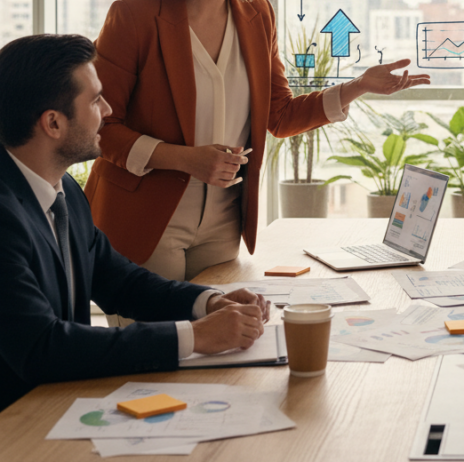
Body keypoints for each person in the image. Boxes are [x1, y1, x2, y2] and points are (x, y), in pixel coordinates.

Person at [85, 0, 429, 282]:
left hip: (223, 225)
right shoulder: (135, 17)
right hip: (145, 221)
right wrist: (185, 159)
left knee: (221, 341)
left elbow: (280, 115)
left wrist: (359, 86)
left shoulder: (257, 15)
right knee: (159, 342)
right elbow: (101, 129)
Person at [0, 34, 270, 412]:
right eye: (95, 100)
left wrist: (209, 303)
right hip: (17, 422)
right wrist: (192, 337)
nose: (109, 110)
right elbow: (42, 347)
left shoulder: (65, 193)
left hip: (55, 402)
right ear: (53, 123)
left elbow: (120, 282)